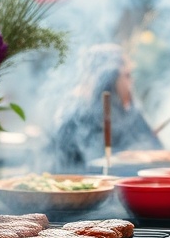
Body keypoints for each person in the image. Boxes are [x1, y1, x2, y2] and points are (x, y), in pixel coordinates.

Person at [46, 43, 163, 173]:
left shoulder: (129, 112)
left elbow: (158, 151)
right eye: (127, 75)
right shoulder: (74, 116)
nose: (131, 82)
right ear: (107, 78)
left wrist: (144, 156)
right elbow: (69, 171)